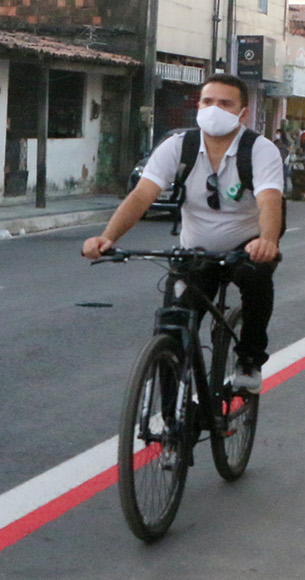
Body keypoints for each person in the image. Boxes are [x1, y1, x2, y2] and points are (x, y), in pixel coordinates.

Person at [82, 73, 284, 390]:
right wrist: (108, 237)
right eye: (207, 101)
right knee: (173, 322)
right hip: (195, 249)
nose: (214, 108)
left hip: (246, 246)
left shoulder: (260, 150)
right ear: (198, 106)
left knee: (257, 280)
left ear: (242, 113)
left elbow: (270, 200)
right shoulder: (178, 147)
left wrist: (267, 241)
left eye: (225, 103)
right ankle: (174, 415)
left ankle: (249, 361)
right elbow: (141, 196)